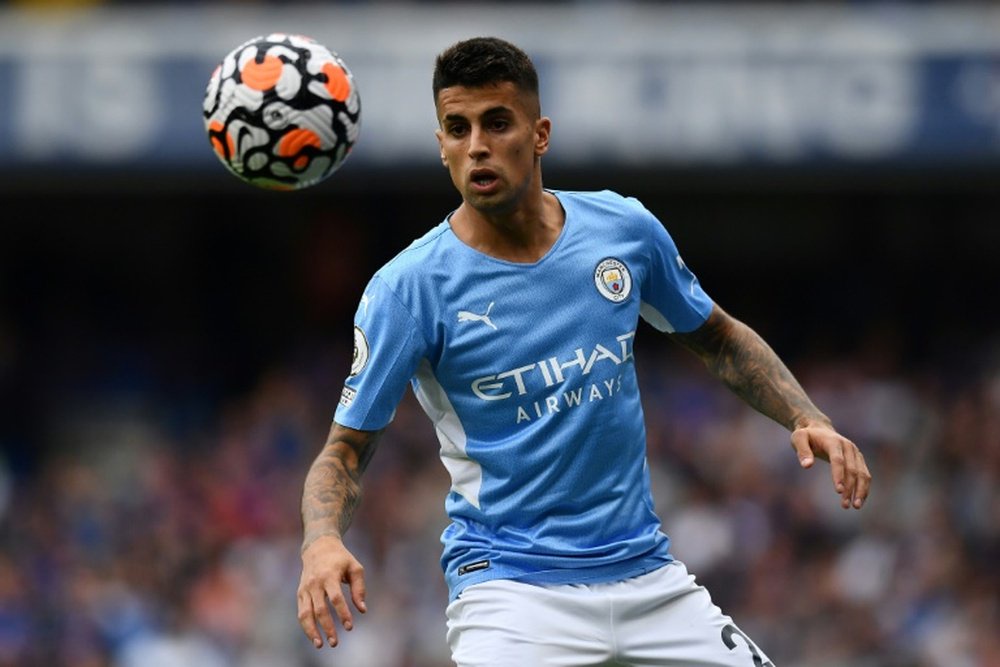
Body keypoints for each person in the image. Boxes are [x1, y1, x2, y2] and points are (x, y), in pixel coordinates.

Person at [296, 36, 871, 666]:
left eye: (497, 123)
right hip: (512, 596)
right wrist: (321, 540)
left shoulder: (621, 230)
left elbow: (718, 337)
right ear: (441, 146)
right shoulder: (409, 290)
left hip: (650, 579)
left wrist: (806, 416)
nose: (477, 146)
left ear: (540, 134)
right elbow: (345, 453)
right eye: (456, 129)